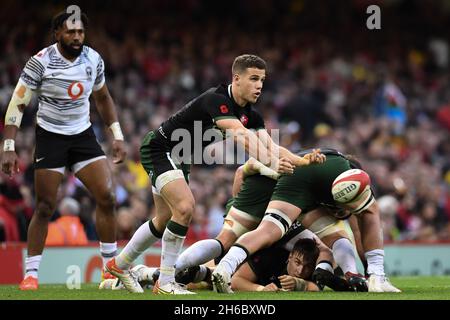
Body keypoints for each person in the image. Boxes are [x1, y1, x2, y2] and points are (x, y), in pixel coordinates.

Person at [105, 54, 324, 294]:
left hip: (181, 158)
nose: (259, 85)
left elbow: (271, 145)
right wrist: (271, 162)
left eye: (262, 79)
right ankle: (166, 283)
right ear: (236, 79)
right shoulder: (216, 100)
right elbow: (240, 135)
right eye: (253, 79)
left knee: (164, 219)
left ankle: (119, 264)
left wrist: (301, 160)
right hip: (161, 148)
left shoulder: (251, 115)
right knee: (185, 208)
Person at [0, 9, 126, 290]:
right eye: (70, 31)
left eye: (80, 31)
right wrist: (8, 146)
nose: (77, 36)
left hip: (82, 136)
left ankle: (109, 270)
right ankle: (31, 274)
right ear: (57, 33)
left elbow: (103, 97)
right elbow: (17, 104)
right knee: (45, 206)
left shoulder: (93, 59)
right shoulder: (40, 63)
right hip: (50, 138)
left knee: (106, 196)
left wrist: (116, 134)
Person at [213, 148, 401, 293]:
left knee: (267, 232)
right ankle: (368, 275)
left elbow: (241, 176)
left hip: (294, 176)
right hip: (295, 204)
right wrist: (371, 270)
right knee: (340, 234)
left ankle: (224, 268)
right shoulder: (349, 178)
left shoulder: (314, 167)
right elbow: (360, 229)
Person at [174, 151, 368, 292]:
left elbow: (241, 174)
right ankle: (327, 272)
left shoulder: (301, 174)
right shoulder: (315, 186)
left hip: (251, 215)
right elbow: (244, 171)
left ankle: (169, 273)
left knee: (223, 246)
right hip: (274, 222)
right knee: (323, 246)